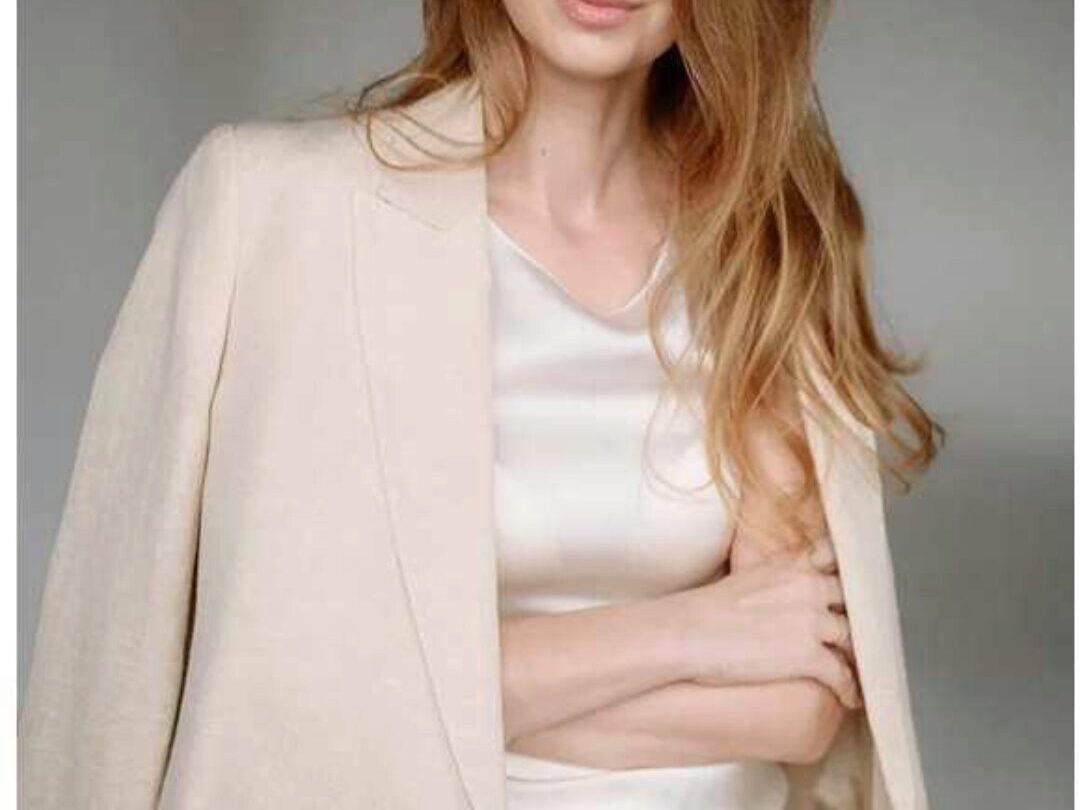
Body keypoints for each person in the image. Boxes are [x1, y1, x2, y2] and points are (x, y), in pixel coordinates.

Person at [19, 1, 942, 808]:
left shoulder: (762, 245)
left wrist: (424, 692)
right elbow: (121, 673)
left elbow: (798, 705)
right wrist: (689, 632)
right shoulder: (272, 210)